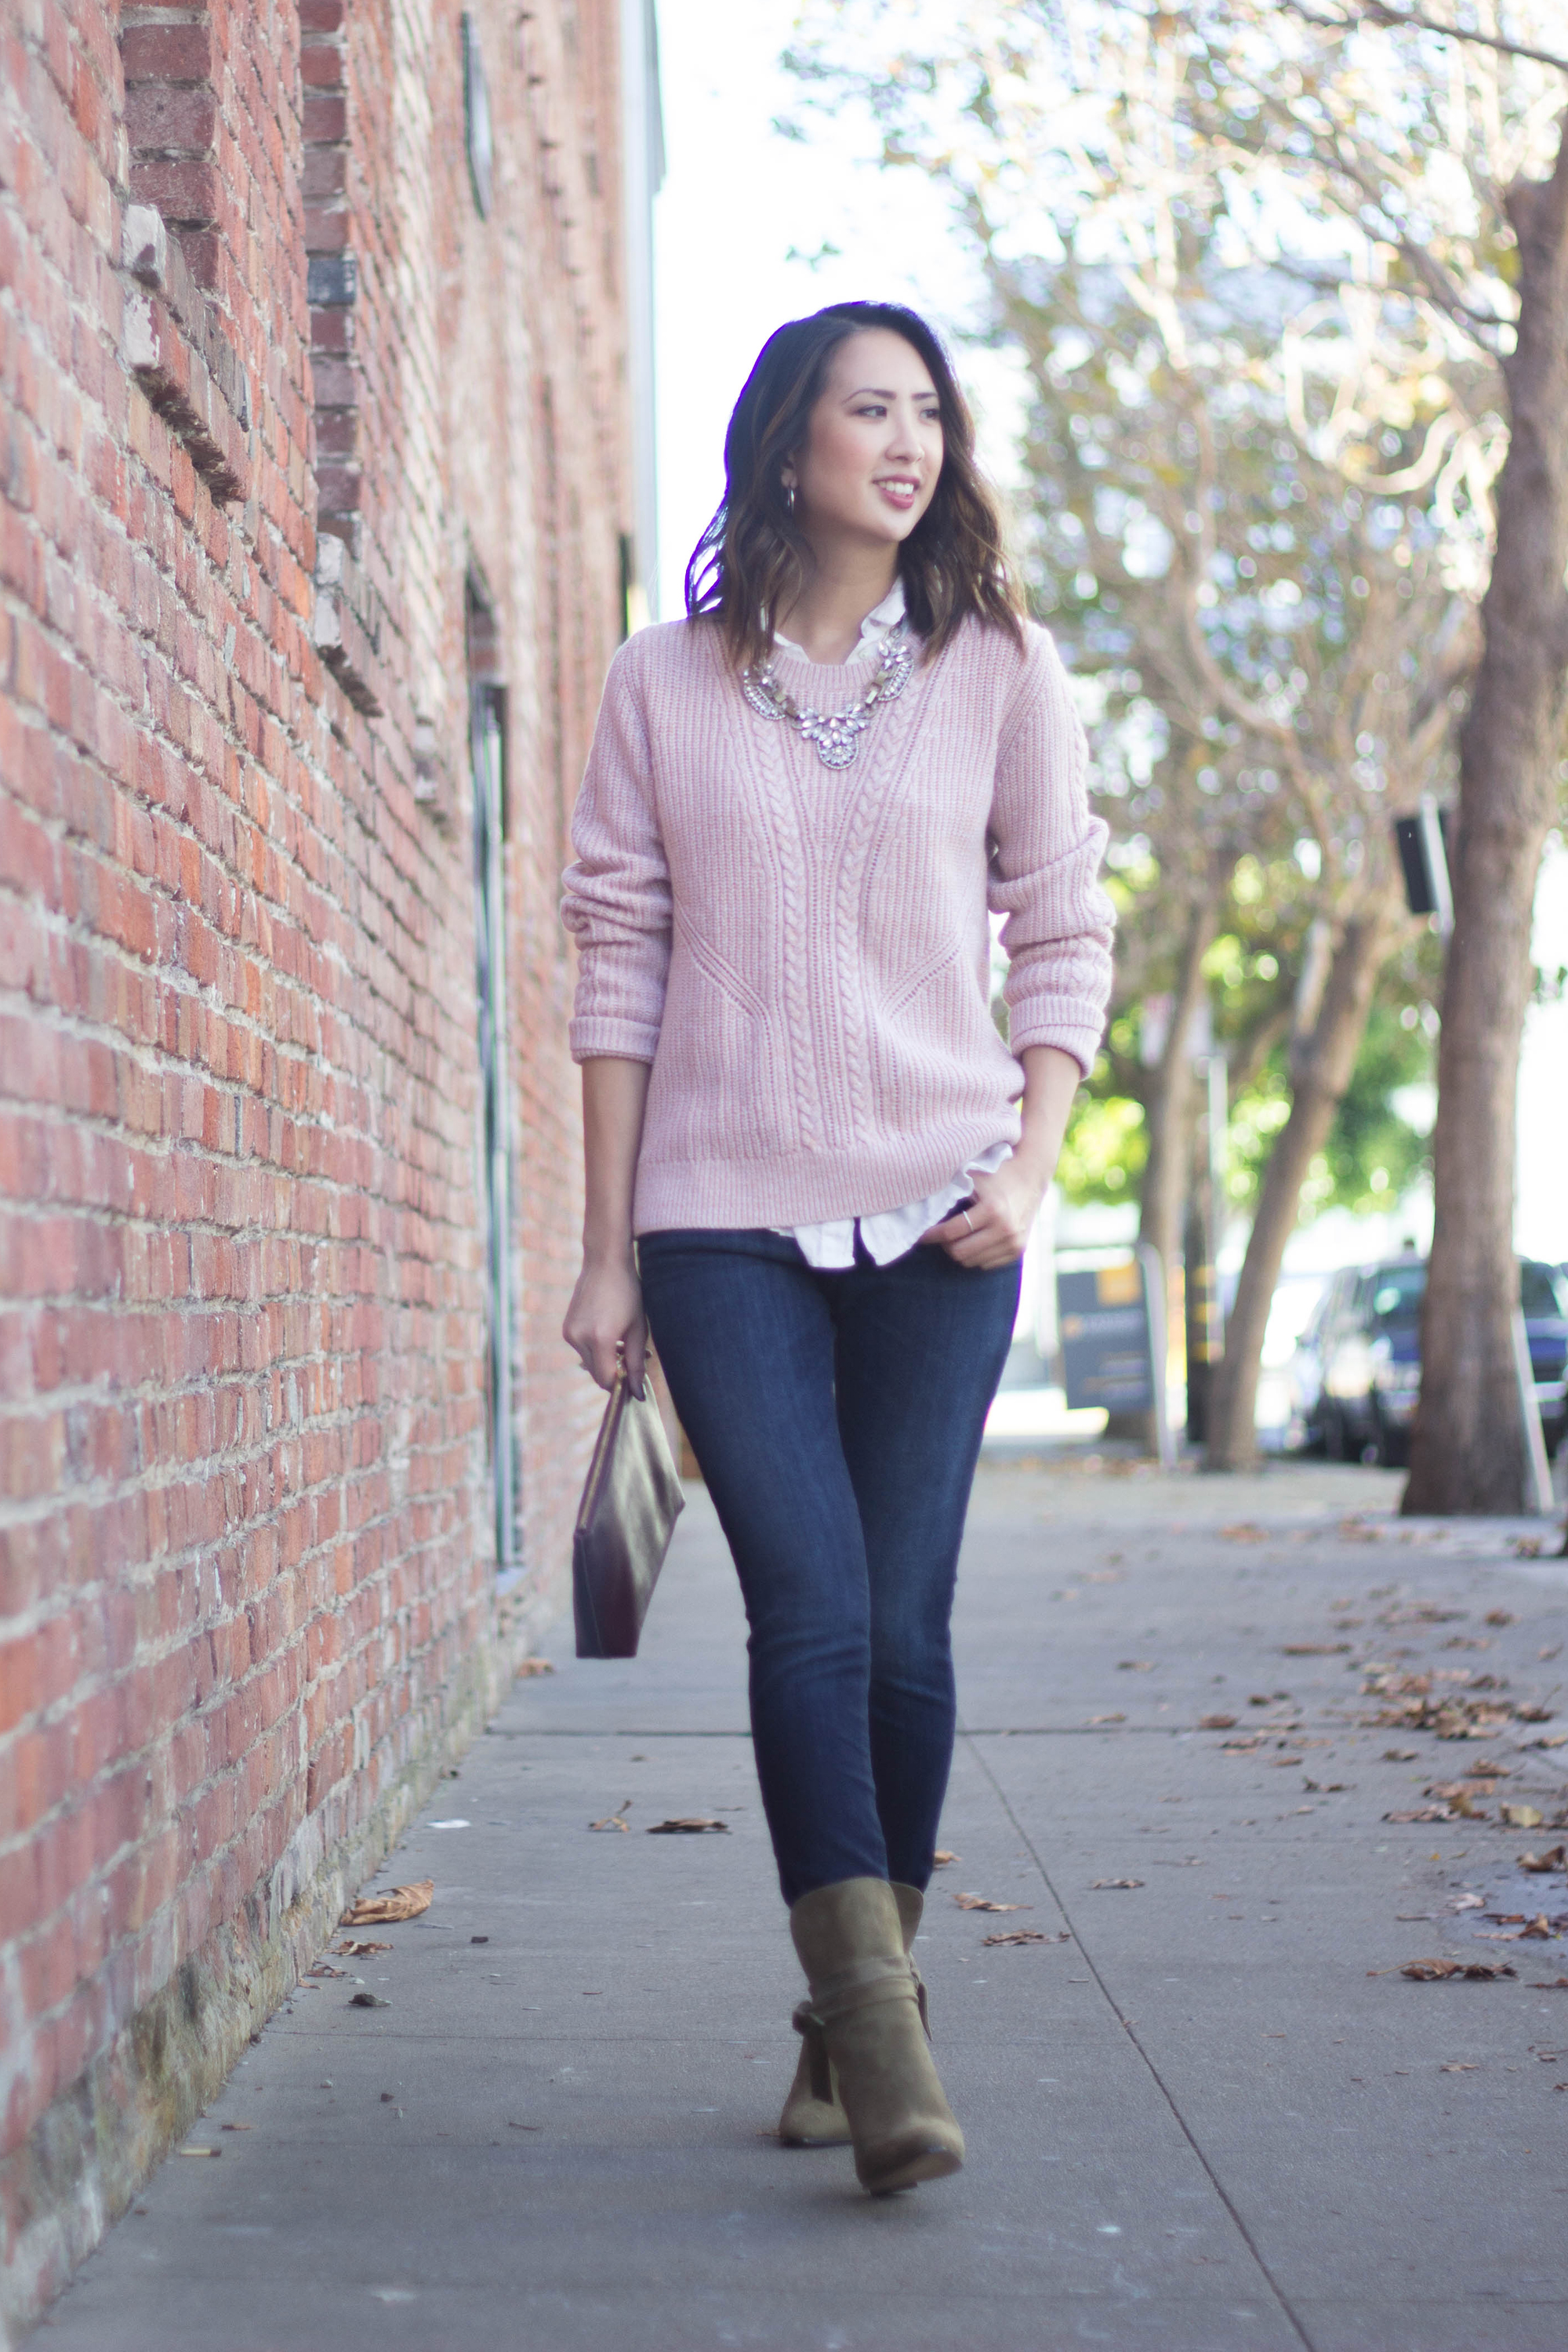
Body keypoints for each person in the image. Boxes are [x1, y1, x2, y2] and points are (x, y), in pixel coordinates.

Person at [561, 300, 1114, 2197]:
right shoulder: (659, 682)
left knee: (899, 1625)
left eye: (930, 414)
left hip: (942, 1222)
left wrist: (1031, 1168)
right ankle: (880, 2045)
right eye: (868, 409)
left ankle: (853, 2007)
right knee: (801, 1606)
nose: (908, 442)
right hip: (718, 1221)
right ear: (784, 440)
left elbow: (1062, 933)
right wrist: (608, 1246)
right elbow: (616, 962)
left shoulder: (1000, 672)